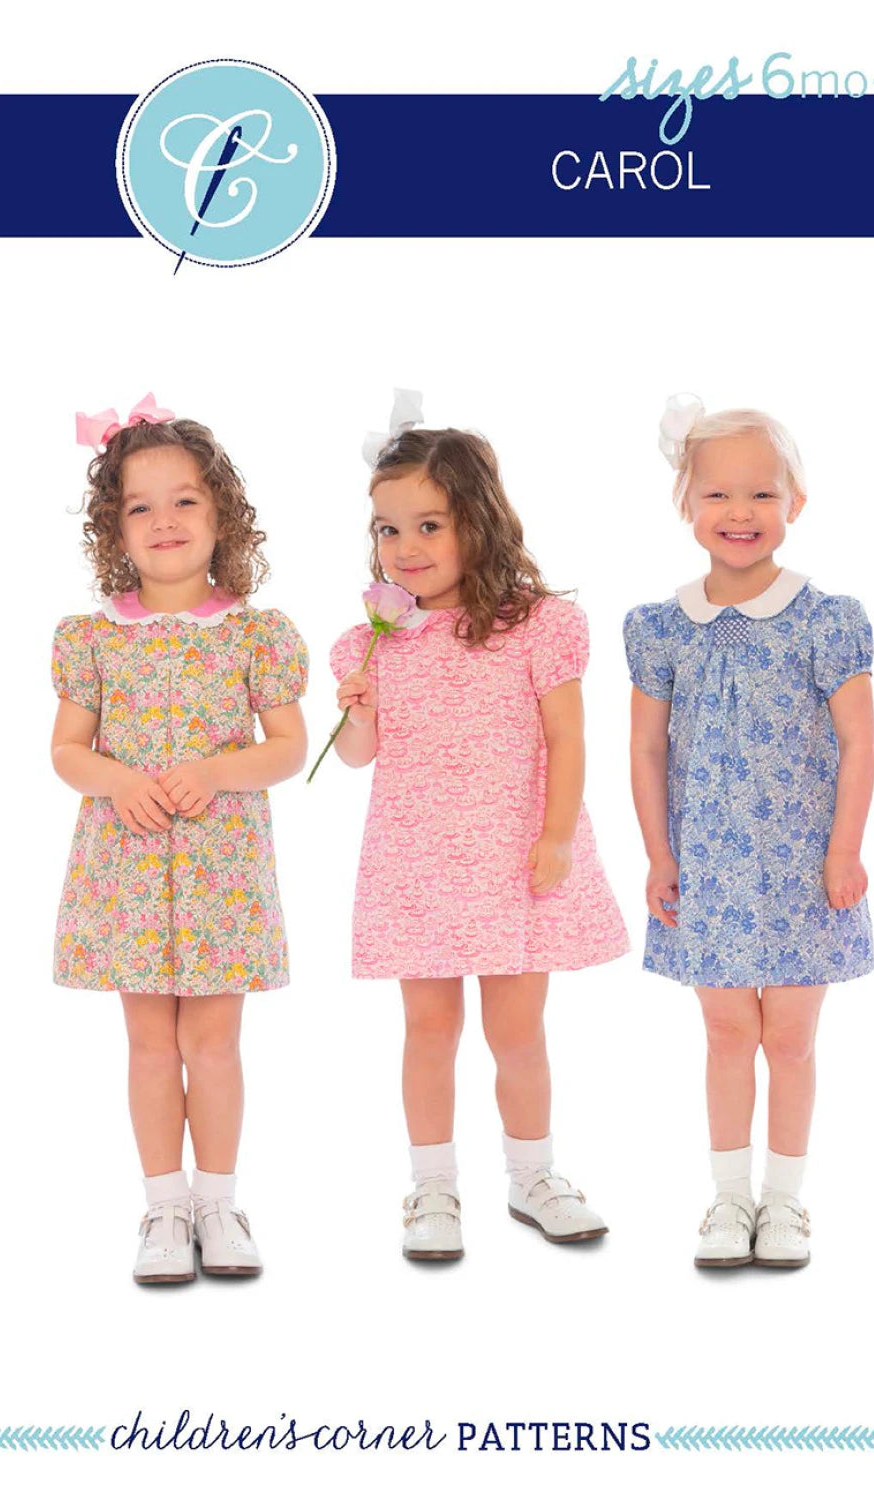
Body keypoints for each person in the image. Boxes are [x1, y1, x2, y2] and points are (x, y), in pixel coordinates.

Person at [330, 395, 629, 1260]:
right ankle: (432, 1185)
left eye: (429, 524)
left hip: (512, 859)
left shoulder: (537, 626)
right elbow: (356, 757)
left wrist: (557, 834)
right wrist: (357, 711)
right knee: (428, 1030)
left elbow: (567, 738)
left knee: (517, 1032)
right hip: (417, 864)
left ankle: (533, 1175)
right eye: (389, 530)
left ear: (479, 519)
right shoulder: (372, 642)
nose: (406, 547)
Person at [51, 394, 308, 1283]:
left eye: (185, 500)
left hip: (219, 874)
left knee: (214, 1044)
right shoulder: (92, 638)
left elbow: (287, 747)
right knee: (150, 1046)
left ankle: (219, 1203)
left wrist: (216, 769)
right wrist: (119, 781)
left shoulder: (254, 633)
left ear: (222, 514)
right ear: (114, 528)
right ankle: (163, 1206)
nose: (164, 520)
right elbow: (66, 752)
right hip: (127, 870)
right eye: (140, 506)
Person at [623, 394, 874, 1269]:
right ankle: (729, 1198)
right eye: (719, 494)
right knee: (728, 1034)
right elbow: (646, 748)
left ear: (795, 501)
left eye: (762, 493)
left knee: (792, 1040)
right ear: (686, 503)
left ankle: (786, 1201)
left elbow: (859, 741)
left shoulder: (826, 619)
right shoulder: (662, 628)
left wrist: (844, 848)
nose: (741, 512)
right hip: (711, 871)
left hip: (807, 869)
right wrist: (659, 853)